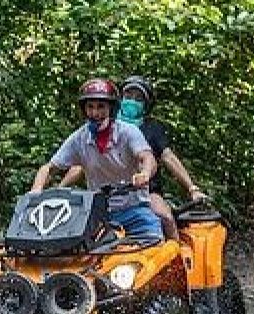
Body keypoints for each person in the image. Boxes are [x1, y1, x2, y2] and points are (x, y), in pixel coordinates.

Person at [60, 76, 207, 239]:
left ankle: (176, 258)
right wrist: (60, 189)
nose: (132, 101)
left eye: (138, 98)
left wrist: (192, 188)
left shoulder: (151, 128)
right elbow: (82, 163)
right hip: (105, 196)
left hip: (143, 191)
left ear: (146, 104)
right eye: (128, 96)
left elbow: (167, 157)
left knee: (164, 216)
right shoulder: (99, 127)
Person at [31, 78, 162, 243]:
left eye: (101, 107)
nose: (95, 113)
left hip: (134, 209)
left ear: (111, 109)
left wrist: (145, 173)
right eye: (90, 107)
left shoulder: (128, 132)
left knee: (156, 247)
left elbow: (147, 157)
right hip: (99, 215)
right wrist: (36, 191)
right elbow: (48, 168)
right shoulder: (79, 138)